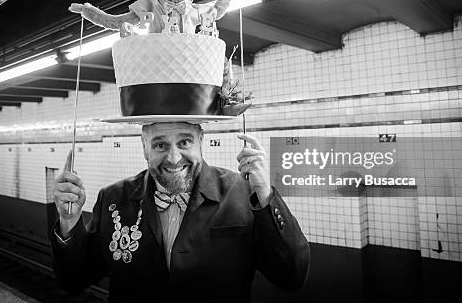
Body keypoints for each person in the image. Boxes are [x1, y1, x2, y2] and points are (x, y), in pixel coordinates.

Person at [51, 122, 310, 303]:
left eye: (184, 142)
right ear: (144, 148)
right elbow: (73, 280)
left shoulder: (241, 193)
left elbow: (291, 276)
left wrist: (266, 195)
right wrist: (69, 221)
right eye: (160, 145)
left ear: (201, 142)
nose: (174, 158)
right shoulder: (114, 199)